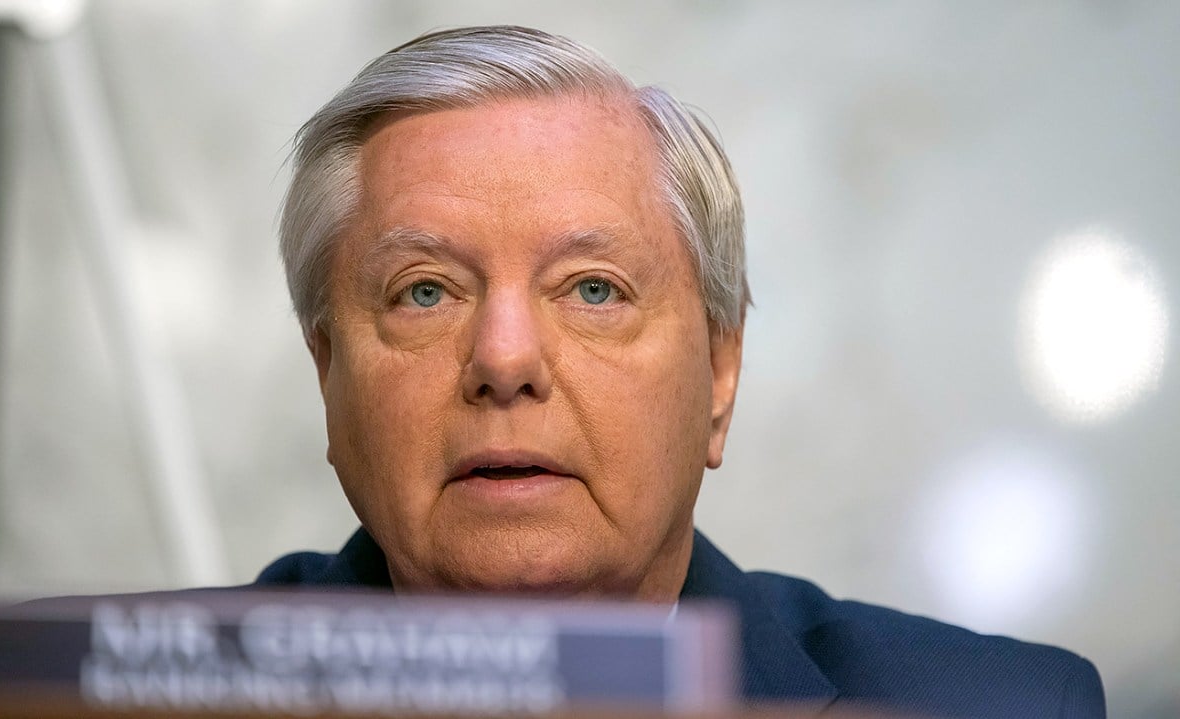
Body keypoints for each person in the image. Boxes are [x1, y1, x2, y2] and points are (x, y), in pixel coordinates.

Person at [258, 25, 1105, 718]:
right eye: (425, 291)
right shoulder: (184, 691)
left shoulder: (1004, 707)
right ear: (328, 370)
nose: (505, 360)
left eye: (594, 289)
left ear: (721, 372)